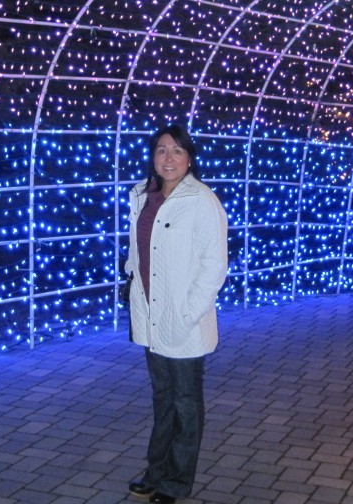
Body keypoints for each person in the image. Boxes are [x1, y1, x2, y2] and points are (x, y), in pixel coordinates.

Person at [124, 124, 229, 504]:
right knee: (162, 398)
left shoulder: (202, 200)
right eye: (161, 150)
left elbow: (214, 265)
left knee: (186, 404)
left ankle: (176, 482)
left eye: (176, 151)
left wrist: (188, 312)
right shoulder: (142, 196)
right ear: (153, 158)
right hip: (151, 314)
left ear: (189, 159)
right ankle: (156, 471)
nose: (168, 158)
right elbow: (138, 252)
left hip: (183, 319)